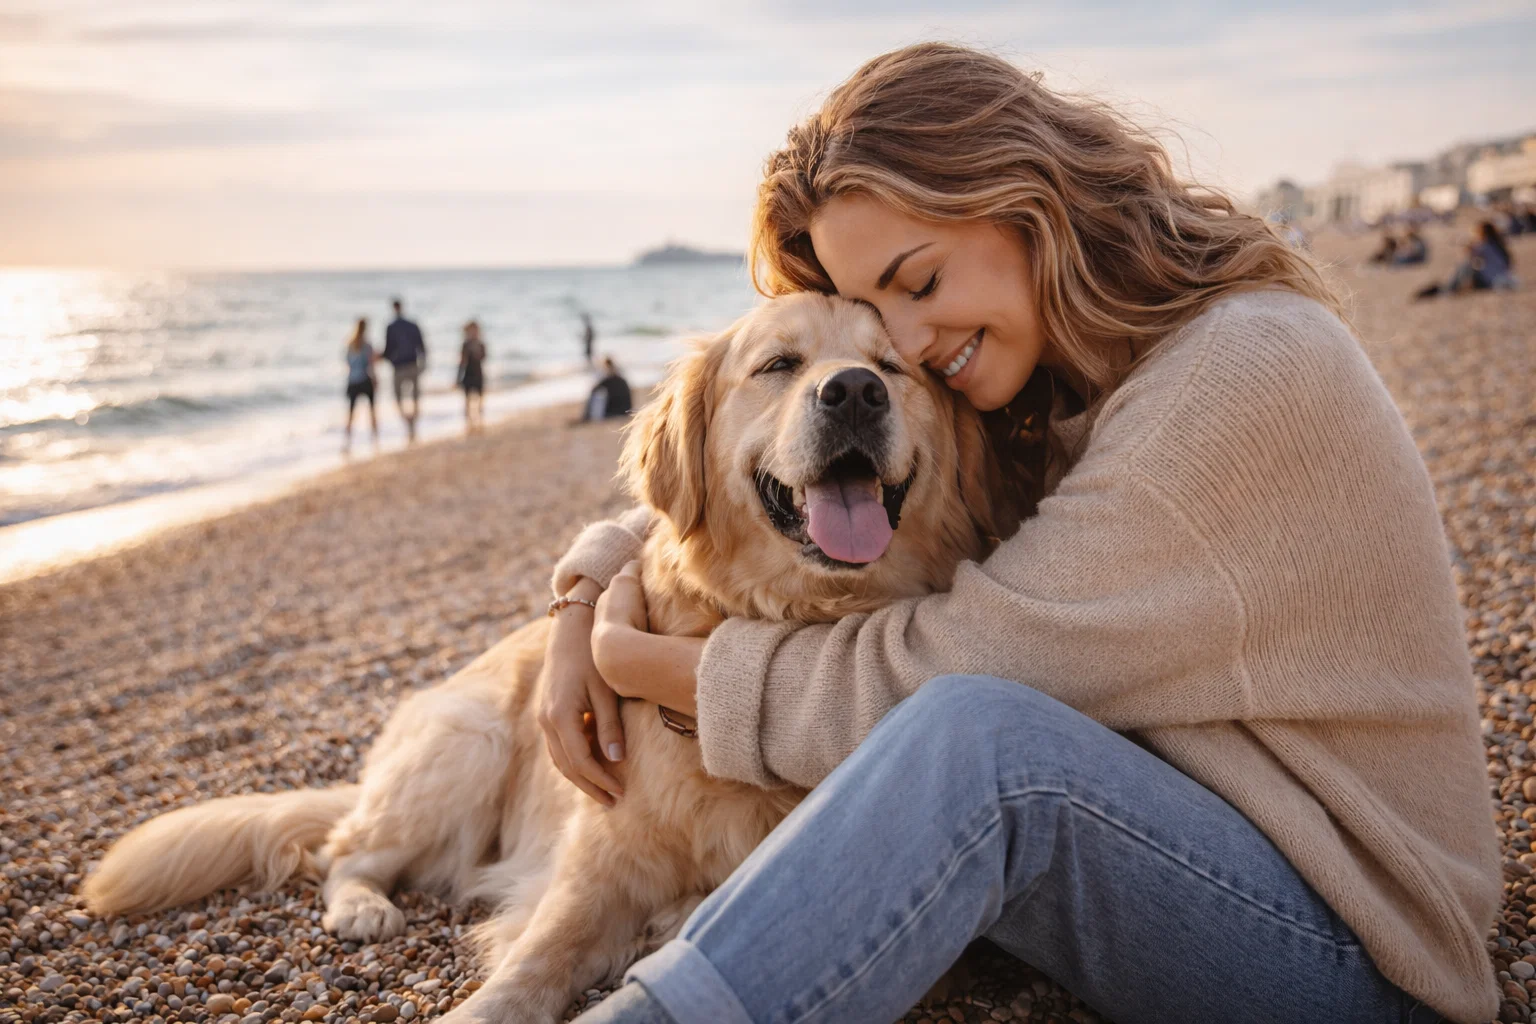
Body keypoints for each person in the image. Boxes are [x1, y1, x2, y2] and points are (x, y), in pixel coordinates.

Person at [537, 44, 1497, 1024]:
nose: (903, 350)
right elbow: (732, 471)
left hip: (1361, 953)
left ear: (1024, 198)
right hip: (1203, 843)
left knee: (982, 738)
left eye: (918, 283)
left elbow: (951, 673)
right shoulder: (1070, 387)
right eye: (875, 312)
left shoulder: (1237, 373)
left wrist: (643, 662)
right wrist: (585, 591)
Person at [1416, 220, 1515, 299]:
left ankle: (1448, 289)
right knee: (1468, 266)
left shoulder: (1485, 245)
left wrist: (1467, 244)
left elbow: (1467, 256)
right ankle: (1448, 288)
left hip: (1492, 280)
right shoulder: (1496, 244)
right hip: (1500, 277)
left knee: (1465, 265)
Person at [382, 298, 427, 441]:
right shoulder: (412, 325)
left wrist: (384, 358)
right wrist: (423, 363)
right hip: (412, 364)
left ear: (394, 308)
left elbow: (388, 349)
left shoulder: (391, 327)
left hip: (400, 366)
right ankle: (412, 424)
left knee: (398, 397)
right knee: (415, 397)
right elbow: (422, 346)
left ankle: (409, 423)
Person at [342, 317, 378, 449]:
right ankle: (375, 439)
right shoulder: (367, 345)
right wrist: (375, 380)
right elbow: (371, 365)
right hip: (365, 380)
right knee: (372, 410)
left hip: (353, 382)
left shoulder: (350, 344)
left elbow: (347, 364)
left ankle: (347, 442)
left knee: (350, 413)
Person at [577, 355, 632, 423]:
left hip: (614, 412)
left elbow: (594, 389)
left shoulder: (608, 380)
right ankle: (587, 416)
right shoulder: (622, 380)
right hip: (626, 410)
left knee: (597, 396)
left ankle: (587, 416)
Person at [457, 319, 487, 434]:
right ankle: (469, 421)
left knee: (480, 399)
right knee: (467, 400)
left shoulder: (480, 344)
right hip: (468, 374)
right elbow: (462, 362)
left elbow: (483, 357)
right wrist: (458, 377)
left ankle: (479, 419)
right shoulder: (465, 344)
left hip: (478, 374)